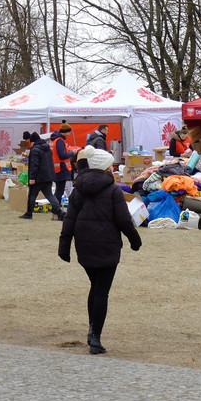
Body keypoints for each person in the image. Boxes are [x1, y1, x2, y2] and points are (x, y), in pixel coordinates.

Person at [58, 146, 142, 355]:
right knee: (101, 290)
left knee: (95, 287)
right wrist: (135, 241)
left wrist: (64, 246)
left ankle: (91, 329)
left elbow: (69, 219)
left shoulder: (78, 189)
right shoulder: (113, 191)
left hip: (84, 245)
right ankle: (95, 337)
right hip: (107, 246)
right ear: (106, 168)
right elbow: (124, 220)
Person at [19, 132, 65, 220]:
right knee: (50, 195)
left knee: (32, 195)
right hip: (48, 176)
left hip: (38, 177)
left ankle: (29, 214)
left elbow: (34, 165)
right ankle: (59, 212)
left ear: (33, 142)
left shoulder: (35, 150)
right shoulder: (48, 149)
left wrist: (32, 178)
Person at [50, 121, 76, 206]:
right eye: (69, 132)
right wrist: (72, 153)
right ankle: (56, 210)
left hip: (57, 169)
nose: (69, 134)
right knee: (59, 191)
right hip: (61, 169)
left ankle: (55, 209)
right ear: (66, 131)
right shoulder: (60, 141)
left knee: (58, 191)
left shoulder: (55, 140)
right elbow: (62, 155)